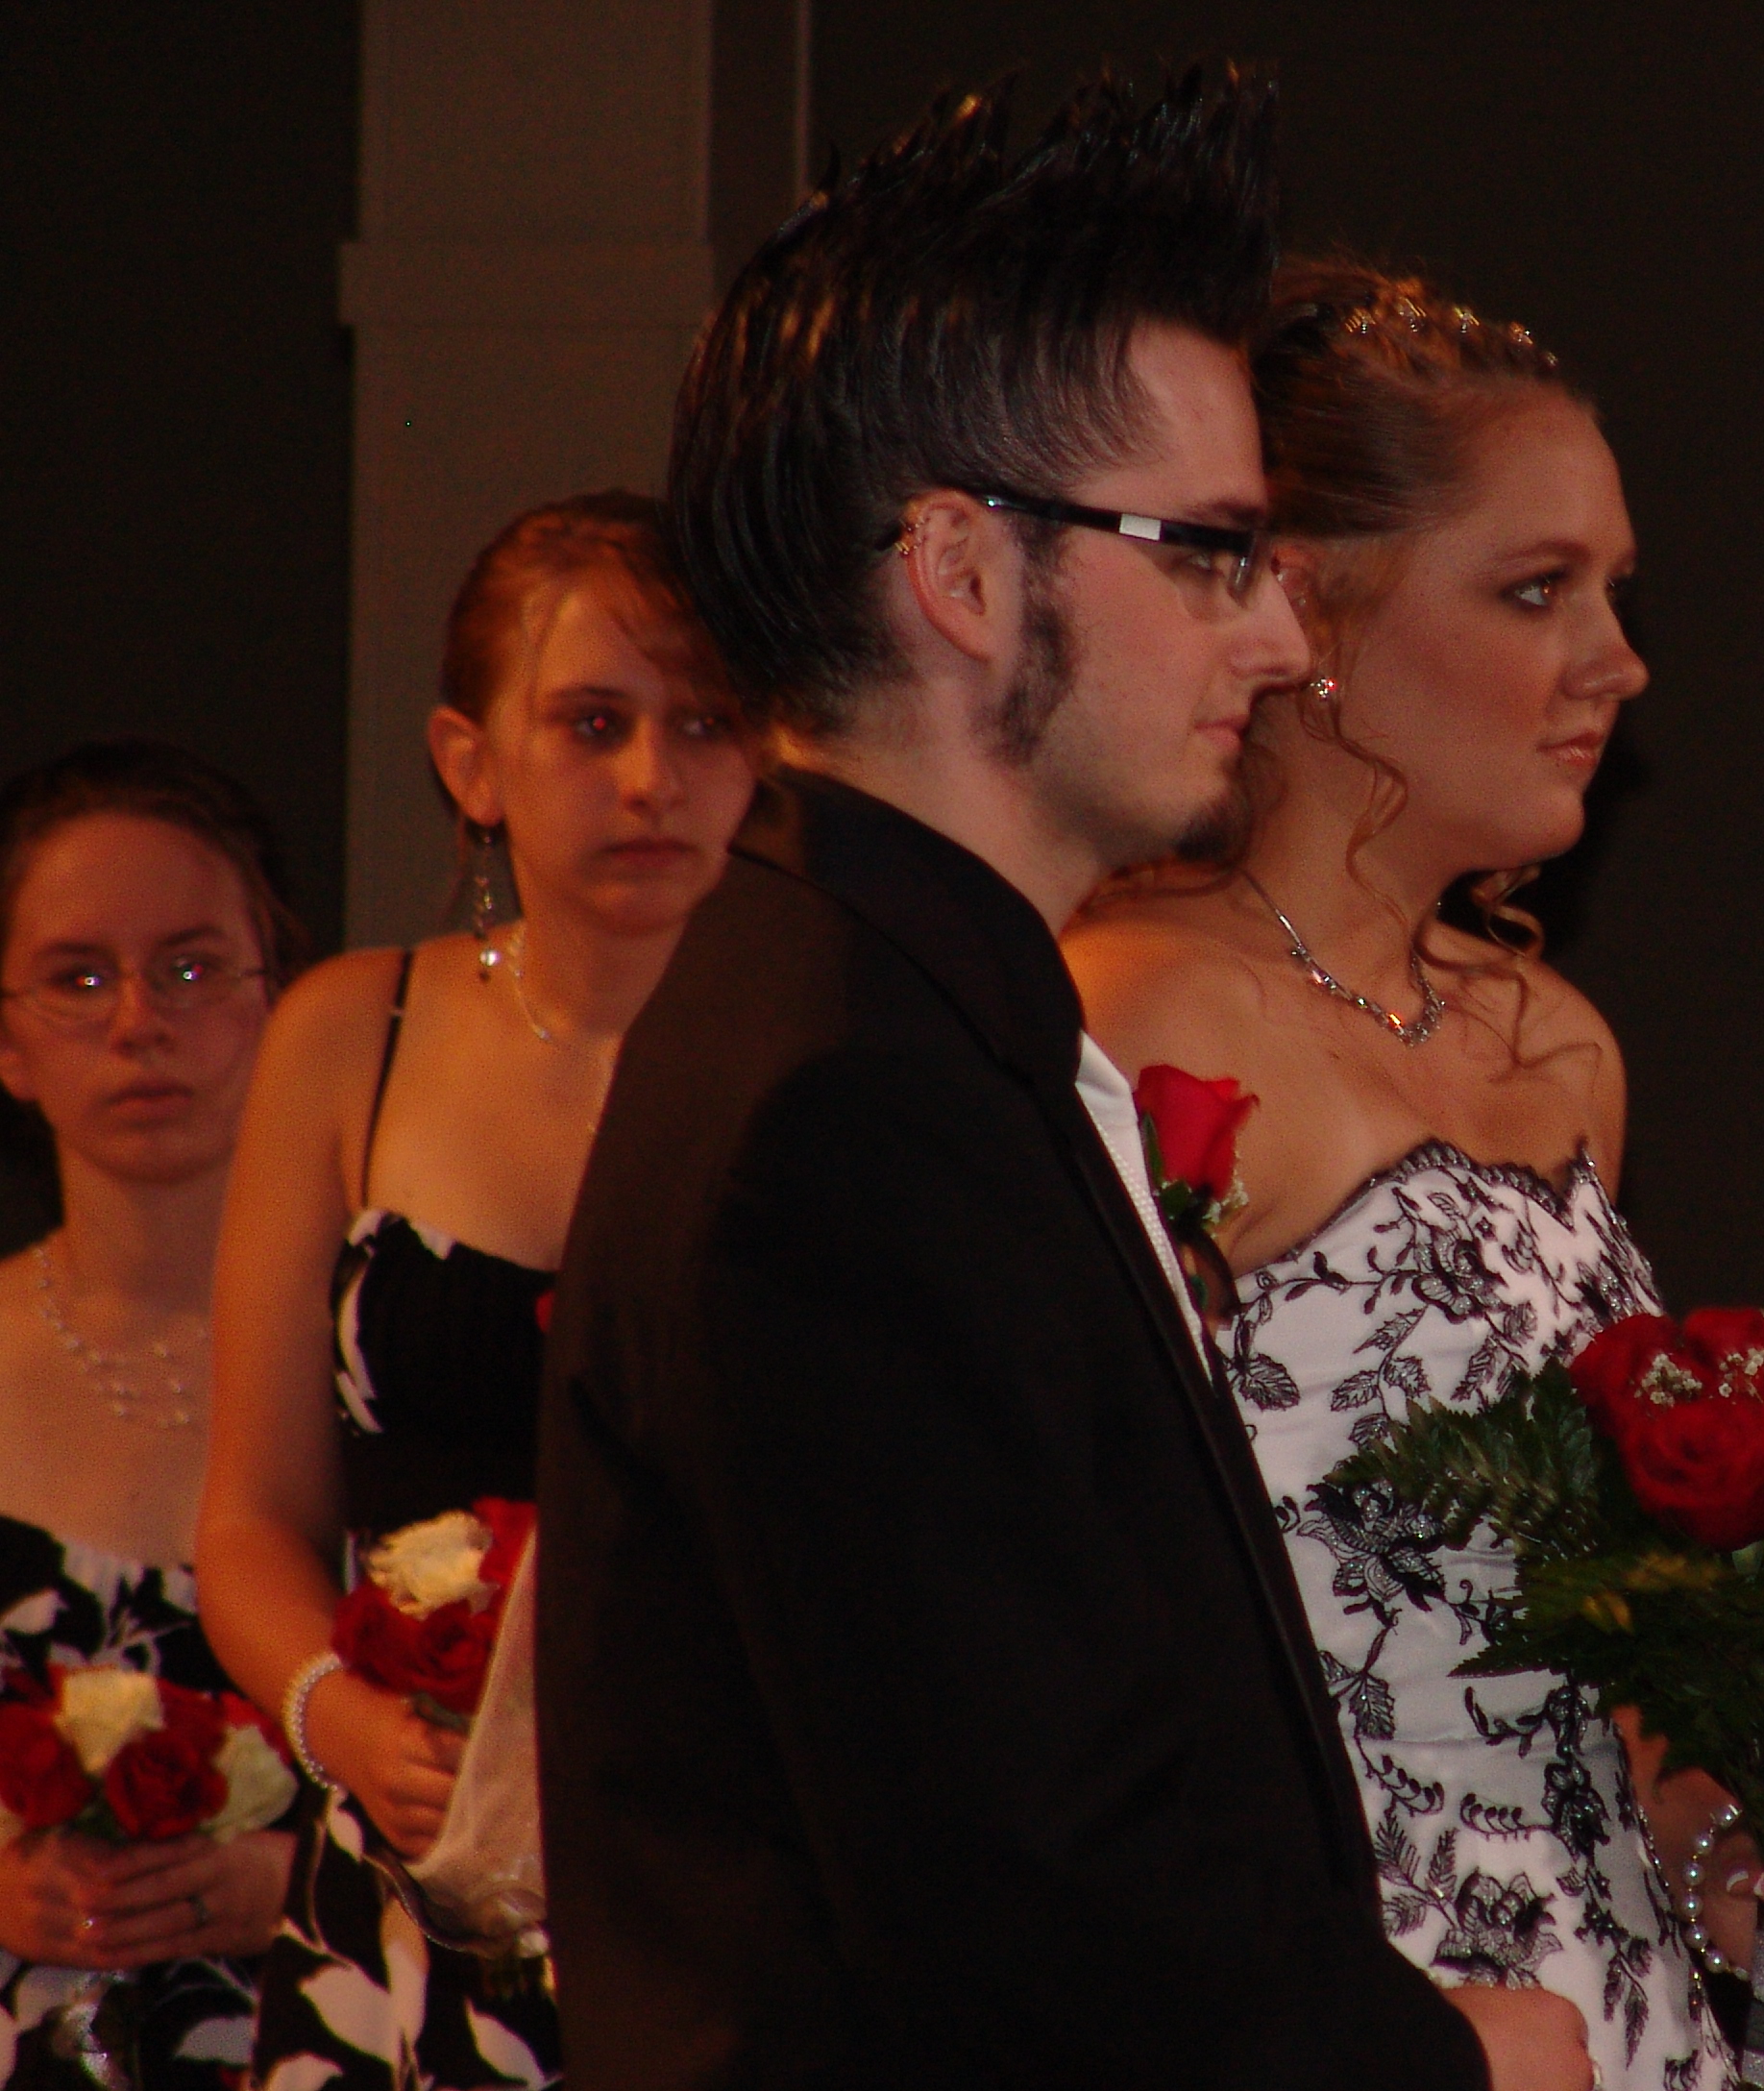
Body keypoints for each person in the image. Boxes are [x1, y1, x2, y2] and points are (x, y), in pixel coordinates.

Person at [534, 72, 1563, 2091]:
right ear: (963, 573)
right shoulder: (845, 1099)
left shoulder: (889, 1003)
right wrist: (1447, 2067)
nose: (1276, 640)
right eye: (1212, 553)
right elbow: (1029, 1899)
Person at [1065, 260, 1764, 2088]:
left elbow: (1572, 1663)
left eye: (1614, 589)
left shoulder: (1562, 1049)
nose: (1618, 660)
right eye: (1538, 590)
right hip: (1342, 2018)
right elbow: (1070, 1661)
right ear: (1307, 610)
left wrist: (1710, 1853)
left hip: (1620, 2024)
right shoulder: (1137, 1020)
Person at [196, 492, 756, 2089]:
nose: (650, 778)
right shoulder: (344, 1035)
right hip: (412, 1890)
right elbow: (250, 1518)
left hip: (727, 1890)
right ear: (471, 760)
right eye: (592, 723)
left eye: (704, 723)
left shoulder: (826, 1066)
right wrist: (339, 1719)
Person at [0, 741, 313, 2088]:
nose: (138, 1024)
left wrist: (303, 1878)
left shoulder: (384, 1379)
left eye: (190, 969)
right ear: (8, 1042)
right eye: (79, 979)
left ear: (283, 998)